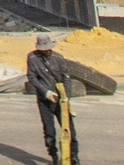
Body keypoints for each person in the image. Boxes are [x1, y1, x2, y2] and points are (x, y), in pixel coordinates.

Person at [28, 32, 78, 165]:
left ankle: (74, 158)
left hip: (60, 101)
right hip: (45, 100)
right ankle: (54, 156)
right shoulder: (32, 58)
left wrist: (67, 99)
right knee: (49, 132)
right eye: (43, 50)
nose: (46, 52)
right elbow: (32, 77)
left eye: (48, 49)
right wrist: (45, 92)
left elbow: (66, 78)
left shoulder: (58, 58)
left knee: (70, 132)